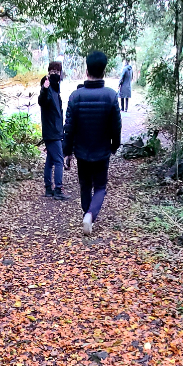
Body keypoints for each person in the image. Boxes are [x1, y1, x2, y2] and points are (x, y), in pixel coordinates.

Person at [63, 51, 122, 235]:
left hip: (82, 151)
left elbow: (69, 127)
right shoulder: (111, 96)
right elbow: (116, 127)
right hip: (102, 151)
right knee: (101, 186)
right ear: (104, 71)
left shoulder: (75, 96)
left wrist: (67, 151)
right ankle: (90, 215)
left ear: (87, 69)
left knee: (85, 184)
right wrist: (114, 145)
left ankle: (86, 214)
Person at [38, 61, 69, 200]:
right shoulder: (48, 87)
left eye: (58, 71)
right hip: (52, 131)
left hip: (54, 130)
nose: (56, 73)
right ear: (49, 72)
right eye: (53, 71)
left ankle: (48, 188)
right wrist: (44, 89)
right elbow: (42, 100)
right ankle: (58, 189)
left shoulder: (56, 89)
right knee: (59, 161)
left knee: (50, 160)